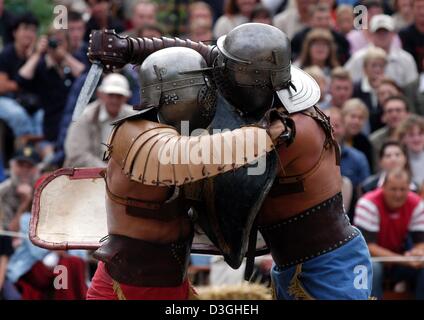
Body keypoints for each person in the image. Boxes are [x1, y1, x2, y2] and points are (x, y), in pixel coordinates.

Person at [88, 23, 373, 299]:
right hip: (128, 283)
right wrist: (132, 48)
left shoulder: (298, 128)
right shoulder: (135, 136)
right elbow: (178, 157)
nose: (216, 88)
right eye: (207, 85)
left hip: (325, 265)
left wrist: (269, 134)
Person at [86, 46, 282, 300]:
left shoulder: (173, 131)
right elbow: (183, 156)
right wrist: (261, 135)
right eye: (204, 87)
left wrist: (136, 46)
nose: (209, 95)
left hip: (171, 283)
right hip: (126, 288)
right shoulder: (133, 133)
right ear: (176, 93)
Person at [354, 168, 424, 299]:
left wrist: (418, 253)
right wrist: (405, 260)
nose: (398, 194)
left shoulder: (417, 204)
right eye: (393, 189)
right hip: (371, 260)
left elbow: (421, 242)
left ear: (409, 189)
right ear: (383, 187)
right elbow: (368, 247)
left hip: (400, 260)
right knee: (373, 268)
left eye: (403, 189)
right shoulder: (367, 203)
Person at [64, 73, 136, 168]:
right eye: (111, 95)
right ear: (100, 94)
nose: (114, 100)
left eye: (119, 96)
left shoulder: (134, 118)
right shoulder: (85, 117)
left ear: (126, 98)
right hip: (89, 176)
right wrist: (107, 170)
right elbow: (77, 154)